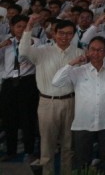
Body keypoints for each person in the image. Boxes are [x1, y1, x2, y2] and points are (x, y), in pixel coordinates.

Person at [20, 15, 83, 175]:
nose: (65, 36)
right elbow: (24, 51)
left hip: (71, 101)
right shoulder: (42, 52)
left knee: (68, 146)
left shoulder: (80, 53)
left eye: (69, 33)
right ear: (54, 34)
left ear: (74, 35)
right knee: (47, 146)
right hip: (47, 103)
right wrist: (29, 26)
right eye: (61, 33)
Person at [50, 35, 105, 174]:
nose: (96, 53)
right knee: (81, 161)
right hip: (83, 123)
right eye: (92, 49)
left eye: (100, 50)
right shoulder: (79, 71)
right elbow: (56, 82)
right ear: (87, 51)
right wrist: (72, 63)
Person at [0, 15, 39, 163]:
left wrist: (27, 43)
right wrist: (1, 46)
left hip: (27, 83)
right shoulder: (6, 43)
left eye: (25, 26)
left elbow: (34, 59)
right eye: (18, 26)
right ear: (12, 27)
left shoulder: (35, 41)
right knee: (9, 119)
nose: (21, 30)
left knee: (27, 118)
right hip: (9, 84)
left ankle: (29, 151)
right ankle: (10, 151)